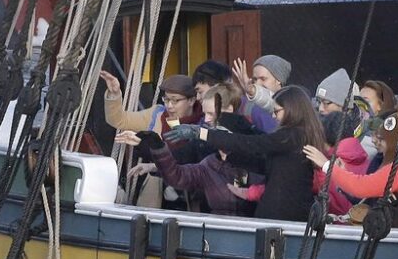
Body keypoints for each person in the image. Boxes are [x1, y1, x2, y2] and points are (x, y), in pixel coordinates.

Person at [166, 85, 326, 221]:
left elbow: (250, 144)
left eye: (276, 111)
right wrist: (231, 156)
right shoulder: (297, 137)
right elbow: (266, 166)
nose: (273, 115)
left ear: (292, 110)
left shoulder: (293, 135)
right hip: (283, 214)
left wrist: (201, 133)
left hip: (284, 216)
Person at [115, 85, 260, 216]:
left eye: (211, 113)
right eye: (205, 114)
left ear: (228, 110)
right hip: (216, 227)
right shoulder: (209, 160)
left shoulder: (256, 146)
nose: (207, 120)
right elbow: (177, 169)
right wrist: (152, 144)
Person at [192, 59, 277, 132]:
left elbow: (273, 142)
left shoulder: (255, 110)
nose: (198, 98)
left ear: (216, 86)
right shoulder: (207, 117)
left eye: (200, 92)